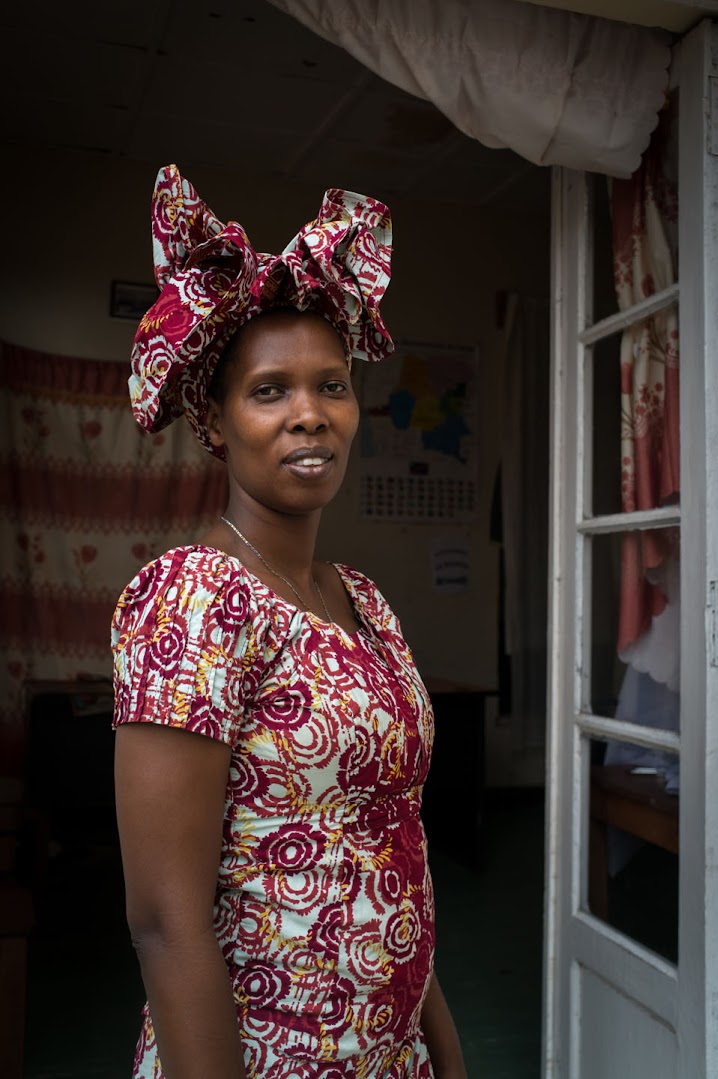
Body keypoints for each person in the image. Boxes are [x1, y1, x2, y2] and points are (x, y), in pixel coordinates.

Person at [112, 164, 467, 1079]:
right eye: (270, 391)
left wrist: (444, 1055)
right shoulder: (194, 599)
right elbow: (164, 920)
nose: (310, 415)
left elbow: (393, 839)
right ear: (216, 421)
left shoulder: (367, 601)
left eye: (332, 385)